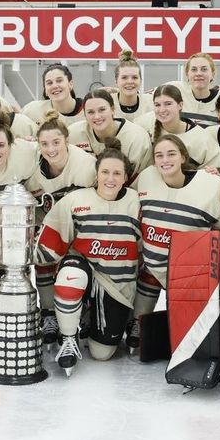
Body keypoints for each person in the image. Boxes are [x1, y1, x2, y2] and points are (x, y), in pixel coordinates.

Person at [36, 144, 141, 374]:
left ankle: (89, 318)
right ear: (97, 174)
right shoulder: (76, 200)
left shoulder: (137, 202)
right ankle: (68, 338)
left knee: (101, 353)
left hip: (116, 285)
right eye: (105, 172)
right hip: (83, 270)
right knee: (70, 274)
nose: (110, 178)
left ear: (126, 176)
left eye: (116, 173)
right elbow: (51, 242)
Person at [132, 135, 220, 350]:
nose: (165, 160)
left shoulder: (210, 183)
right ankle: (138, 321)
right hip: (155, 264)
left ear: (184, 157)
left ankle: (215, 314)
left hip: (191, 272)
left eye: (171, 153)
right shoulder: (147, 178)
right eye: (159, 155)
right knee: (148, 272)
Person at [25, 113, 98, 347]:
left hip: (80, 224)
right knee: (42, 255)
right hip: (48, 222)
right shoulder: (32, 167)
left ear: (67, 140)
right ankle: (48, 314)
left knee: (79, 263)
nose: (51, 148)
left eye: (56, 142)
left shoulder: (85, 165)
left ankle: (84, 308)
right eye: (44, 144)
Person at [67, 89, 152, 176]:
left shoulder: (137, 138)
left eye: (102, 110)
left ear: (113, 109)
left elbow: (145, 175)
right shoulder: (73, 133)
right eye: (90, 112)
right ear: (84, 114)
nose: (97, 116)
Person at [135, 84, 214, 166]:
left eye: (168, 104)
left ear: (180, 105)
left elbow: (212, 170)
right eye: (157, 105)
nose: (162, 110)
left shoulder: (202, 138)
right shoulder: (145, 123)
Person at [171, 52, 220, 127]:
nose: (198, 73)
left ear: (213, 74)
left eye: (204, 69)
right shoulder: (176, 93)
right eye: (194, 69)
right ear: (187, 74)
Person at [113, 49, 153, 121]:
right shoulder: (107, 104)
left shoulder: (151, 104)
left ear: (141, 80)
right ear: (116, 81)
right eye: (124, 77)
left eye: (134, 77)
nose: (130, 81)